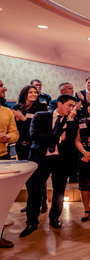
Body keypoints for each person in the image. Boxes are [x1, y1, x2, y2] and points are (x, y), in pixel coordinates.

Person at [20, 94, 79, 238]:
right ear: (59, 103)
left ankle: (54, 218)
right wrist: (57, 138)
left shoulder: (72, 120)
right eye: (69, 105)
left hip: (61, 159)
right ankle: (32, 222)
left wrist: (70, 119)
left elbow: (70, 139)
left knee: (59, 191)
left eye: (73, 106)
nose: (71, 109)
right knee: (35, 192)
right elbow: (34, 135)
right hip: (41, 158)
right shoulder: (41, 116)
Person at [0, 79, 19, 248]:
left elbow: (15, 133)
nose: (5, 88)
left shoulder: (7, 112)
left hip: (3, 158)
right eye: (0, 86)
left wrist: (8, 138)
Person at [12, 85, 48, 160]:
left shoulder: (42, 107)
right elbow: (16, 125)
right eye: (30, 92)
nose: (34, 94)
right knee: (23, 166)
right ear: (24, 94)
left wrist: (24, 119)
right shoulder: (17, 107)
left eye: (35, 92)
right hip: (21, 143)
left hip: (36, 144)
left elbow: (42, 125)